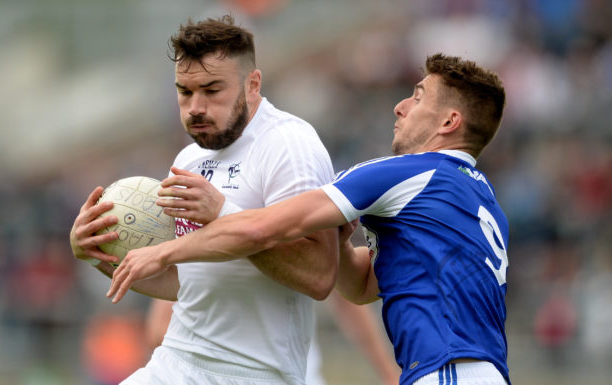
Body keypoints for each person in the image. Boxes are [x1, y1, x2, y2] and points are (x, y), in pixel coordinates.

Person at [107, 53, 511, 385]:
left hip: (450, 371)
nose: (401, 106)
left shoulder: (407, 172)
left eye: (419, 97)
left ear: (448, 122)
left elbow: (263, 226)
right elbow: (364, 285)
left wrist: (170, 247)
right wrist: (335, 242)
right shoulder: (481, 198)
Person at [71, 16, 339, 385]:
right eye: (185, 91)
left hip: (254, 374)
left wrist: (222, 214)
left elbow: (320, 275)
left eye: (212, 91)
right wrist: (97, 251)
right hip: (176, 361)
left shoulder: (289, 146)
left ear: (253, 84)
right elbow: (185, 284)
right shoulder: (189, 160)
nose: (195, 106)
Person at [145, 292, 400, 385]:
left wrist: (389, 374)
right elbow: (159, 330)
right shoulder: (197, 232)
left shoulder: (301, 206)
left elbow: (344, 295)